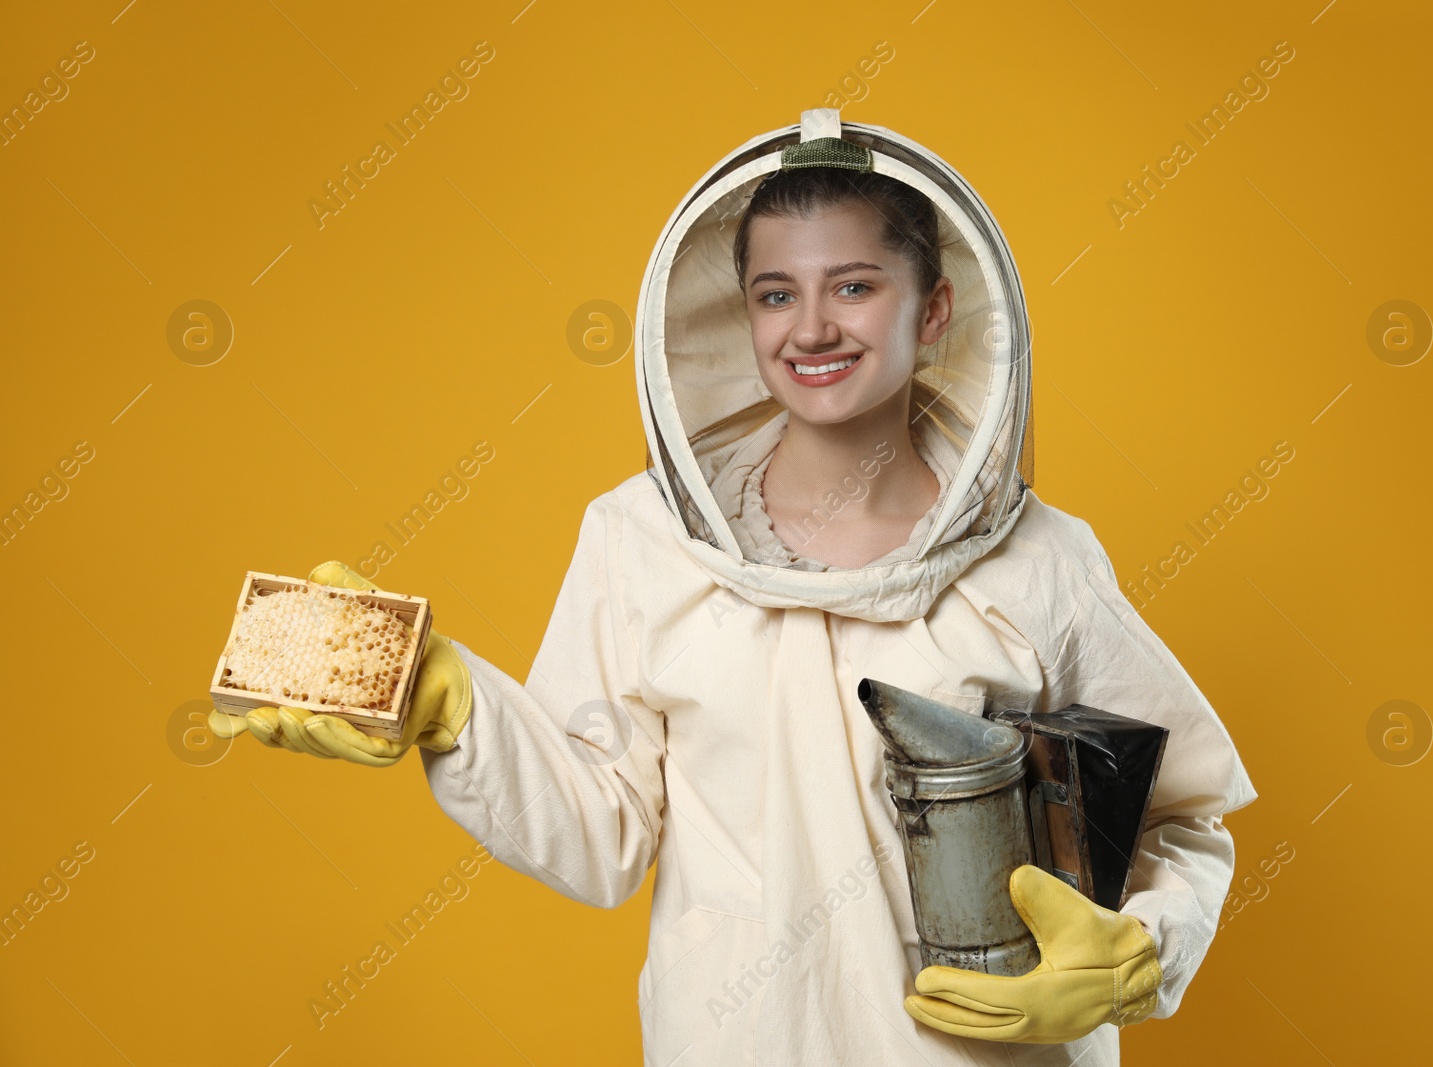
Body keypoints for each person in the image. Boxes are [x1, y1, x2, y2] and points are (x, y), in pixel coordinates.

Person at [210, 109, 1257, 1065]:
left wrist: (1135, 953)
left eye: (853, 285)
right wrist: (453, 704)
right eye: (775, 292)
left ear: (934, 308)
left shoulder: (1040, 559)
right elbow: (600, 834)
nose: (809, 328)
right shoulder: (641, 539)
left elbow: (1180, 814)